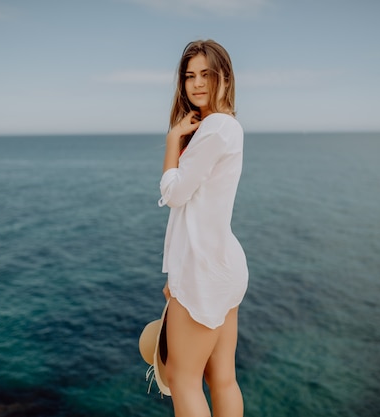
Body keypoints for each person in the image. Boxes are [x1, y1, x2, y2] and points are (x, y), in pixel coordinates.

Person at [158, 39, 248, 417]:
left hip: (203, 270)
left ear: (224, 77)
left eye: (206, 75)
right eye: (189, 75)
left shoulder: (212, 129)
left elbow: (174, 194)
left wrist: (172, 140)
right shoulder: (230, 127)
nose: (196, 84)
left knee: (183, 380)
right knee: (222, 378)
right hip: (224, 265)